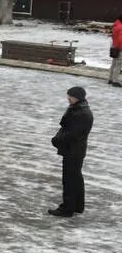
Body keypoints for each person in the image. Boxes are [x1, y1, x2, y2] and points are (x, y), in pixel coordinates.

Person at [50, 85, 94, 217]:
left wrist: (57, 140)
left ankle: (67, 208)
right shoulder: (78, 109)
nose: (68, 99)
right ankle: (77, 206)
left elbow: (73, 134)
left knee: (69, 179)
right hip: (75, 150)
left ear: (77, 97)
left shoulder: (82, 113)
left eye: (70, 97)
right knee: (76, 178)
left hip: (73, 151)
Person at [111, 13, 122, 87]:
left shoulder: (116, 25)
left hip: (114, 46)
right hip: (120, 47)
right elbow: (120, 39)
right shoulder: (121, 27)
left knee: (114, 64)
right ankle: (115, 81)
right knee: (118, 64)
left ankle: (110, 79)